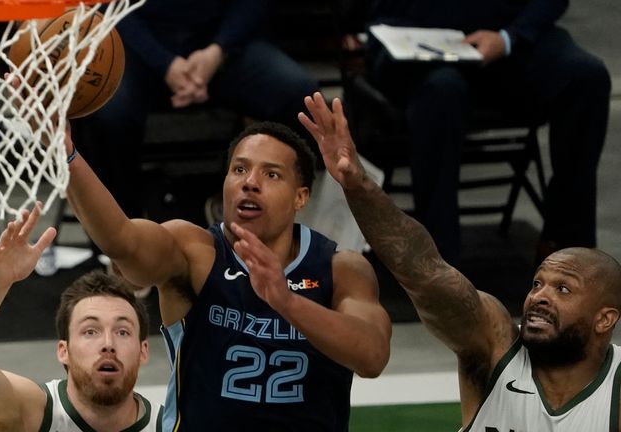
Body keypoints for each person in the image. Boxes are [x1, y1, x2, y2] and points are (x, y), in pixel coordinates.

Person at [300, 92, 621, 430]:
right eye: (538, 283)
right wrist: (358, 185)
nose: (540, 297)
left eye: (563, 289)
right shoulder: (493, 346)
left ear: (605, 319)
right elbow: (422, 271)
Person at [64, 117, 391, 430]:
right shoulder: (194, 252)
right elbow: (121, 241)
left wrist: (288, 303)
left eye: (271, 175)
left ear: (300, 197)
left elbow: (373, 357)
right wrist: (67, 154)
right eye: (239, 169)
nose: (250, 182)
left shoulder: (339, 268)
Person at [336, 0, 611, 264]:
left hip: (508, 37)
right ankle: (440, 262)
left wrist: (508, 37)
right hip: (412, 37)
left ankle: (567, 247)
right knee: (441, 93)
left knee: (587, 78)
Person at [70, 0, 320, 218]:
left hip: (220, 42)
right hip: (136, 48)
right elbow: (109, 6)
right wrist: (164, 63)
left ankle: (279, 214)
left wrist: (218, 50)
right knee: (104, 110)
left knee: (300, 95)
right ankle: (121, 230)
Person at [0, 204, 163, 432]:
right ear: (64, 350)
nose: (108, 344)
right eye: (90, 331)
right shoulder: (31, 413)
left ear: (143, 351)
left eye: (122, 332)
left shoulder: (172, 424)